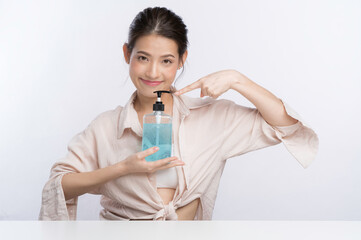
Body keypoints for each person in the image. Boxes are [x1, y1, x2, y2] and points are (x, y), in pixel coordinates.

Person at [39, 7, 318, 221]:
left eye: (167, 61)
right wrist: (123, 169)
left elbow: (286, 126)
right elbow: (57, 186)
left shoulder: (210, 117)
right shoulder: (106, 127)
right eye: (143, 57)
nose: (152, 72)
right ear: (127, 54)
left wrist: (236, 79)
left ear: (182, 60)